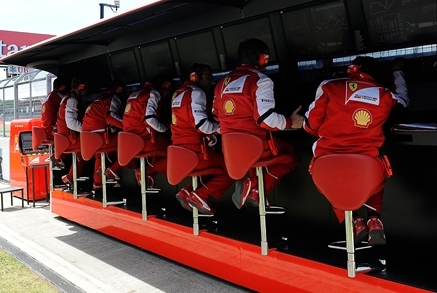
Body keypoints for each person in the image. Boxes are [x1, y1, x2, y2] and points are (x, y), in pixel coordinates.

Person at [303, 56, 409, 246]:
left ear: (352, 68)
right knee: (377, 179)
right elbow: (403, 102)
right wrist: (398, 71)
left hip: (326, 166)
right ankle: (374, 219)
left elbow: (310, 126)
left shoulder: (329, 86)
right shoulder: (384, 93)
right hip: (366, 167)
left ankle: (353, 221)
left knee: (332, 186)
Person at [212, 38, 303, 209]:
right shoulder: (261, 80)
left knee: (256, 158)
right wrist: (291, 121)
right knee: (291, 157)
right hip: (257, 148)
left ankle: (252, 185)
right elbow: (265, 119)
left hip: (230, 150)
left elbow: (216, 116)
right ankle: (256, 189)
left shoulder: (221, 83)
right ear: (262, 58)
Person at [170, 63, 233, 214]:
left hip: (179, 151)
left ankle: (187, 191)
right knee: (231, 168)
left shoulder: (178, 93)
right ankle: (200, 195)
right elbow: (201, 125)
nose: (211, 81)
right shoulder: (197, 92)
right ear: (195, 77)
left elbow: (188, 123)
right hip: (195, 152)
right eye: (207, 77)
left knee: (213, 168)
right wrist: (221, 128)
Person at [122, 73, 175, 188]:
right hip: (143, 140)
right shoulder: (153, 94)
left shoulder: (135, 94)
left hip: (128, 141)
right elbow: (149, 119)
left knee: (159, 139)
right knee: (173, 150)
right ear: (165, 86)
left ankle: (149, 176)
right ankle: (147, 171)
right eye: (168, 91)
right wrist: (165, 128)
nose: (167, 95)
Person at [81, 80, 126, 191]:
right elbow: (110, 117)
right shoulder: (113, 99)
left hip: (90, 140)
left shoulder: (98, 101)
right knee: (129, 142)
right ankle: (113, 171)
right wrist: (128, 126)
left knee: (102, 154)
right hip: (100, 139)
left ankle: (98, 183)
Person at [56, 77, 88, 186]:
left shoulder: (67, 97)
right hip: (69, 138)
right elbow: (71, 123)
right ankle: (72, 178)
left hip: (63, 136)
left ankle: (60, 158)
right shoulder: (72, 100)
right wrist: (87, 129)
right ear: (81, 87)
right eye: (86, 87)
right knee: (91, 145)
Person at [41, 78, 67, 169]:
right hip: (51, 130)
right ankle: (58, 156)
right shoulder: (58, 96)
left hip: (45, 128)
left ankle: (57, 155)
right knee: (71, 136)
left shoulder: (50, 95)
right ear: (61, 87)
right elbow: (69, 102)